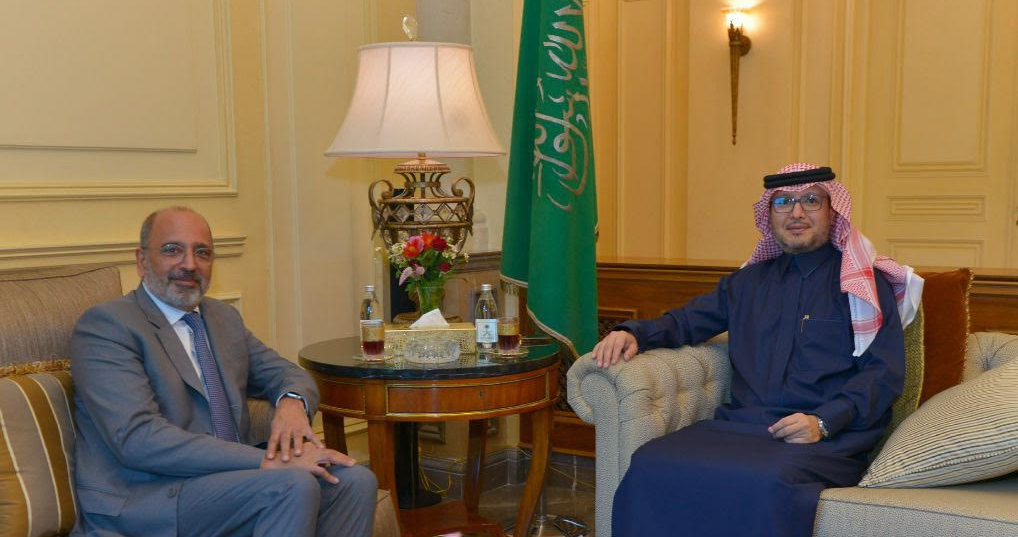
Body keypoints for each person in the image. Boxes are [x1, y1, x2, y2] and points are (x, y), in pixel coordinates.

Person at [592, 164, 923, 537]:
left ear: (833, 211)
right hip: (743, 426)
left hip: (825, 438)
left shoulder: (863, 285)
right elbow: (685, 321)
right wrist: (634, 333)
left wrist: (824, 421)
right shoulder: (746, 283)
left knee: (768, 480)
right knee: (650, 462)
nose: (796, 213)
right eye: (783, 202)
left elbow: (884, 373)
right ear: (769, 214)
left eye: (811, 200)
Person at [70, 207, 377, 537]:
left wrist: (291, 403)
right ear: (142, 260)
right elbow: (139, 440)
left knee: (355, 481)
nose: (190, 264)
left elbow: (286, 373)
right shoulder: (109, 325)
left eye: (202, 252)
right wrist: (267, 460)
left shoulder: (222, 318)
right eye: (172, 250)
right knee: (290, 485)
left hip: (226, 483)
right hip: (149, 496)